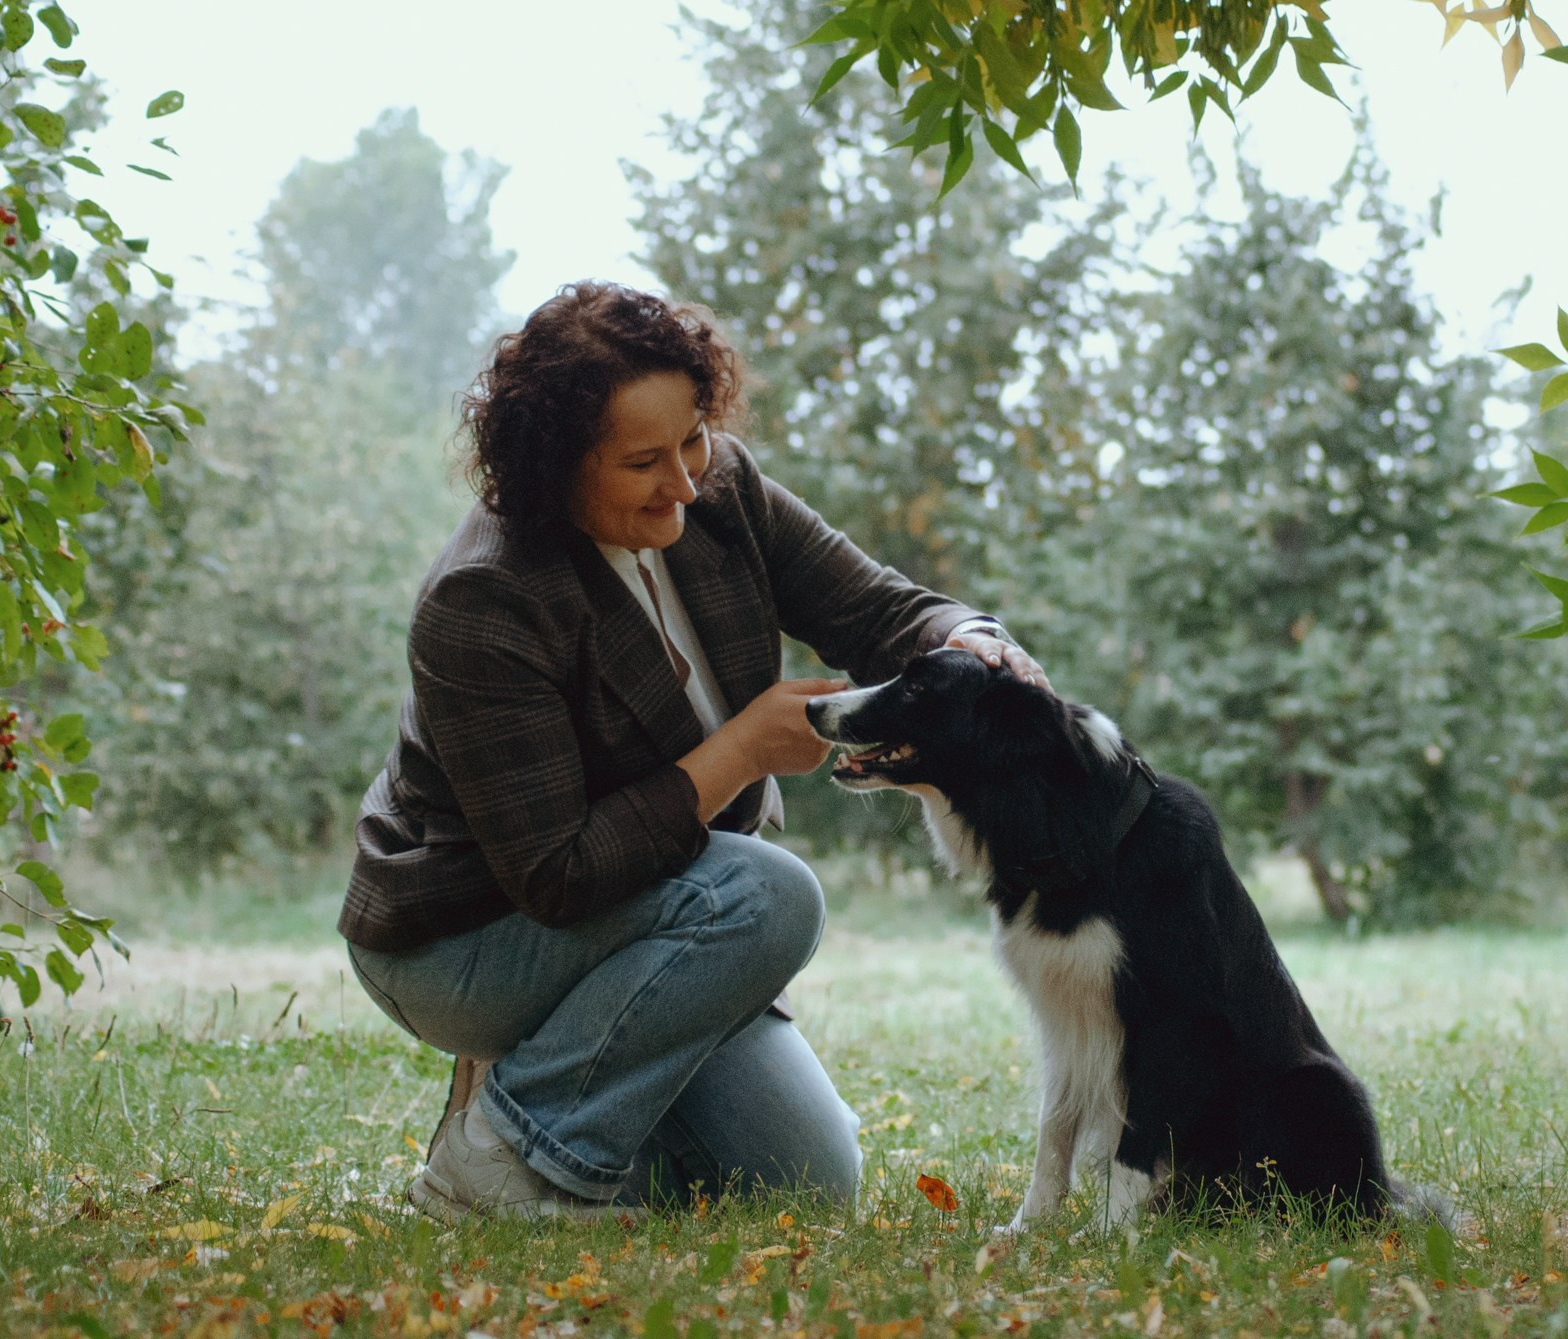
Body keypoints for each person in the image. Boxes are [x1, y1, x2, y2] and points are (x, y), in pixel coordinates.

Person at [337, 282, 1047, 1221]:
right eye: (643, 461)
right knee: (771, 892)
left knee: (805, 1183)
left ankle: (548, 1126)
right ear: (555, 471)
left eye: (693, 438)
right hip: (469, 935)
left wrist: (973, 638)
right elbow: (555, 876)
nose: (683, 480)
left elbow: (875, 610)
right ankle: (493, 1163)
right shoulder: (486, 600)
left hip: (651, 910)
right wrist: (743, 751)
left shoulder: (722, 489)